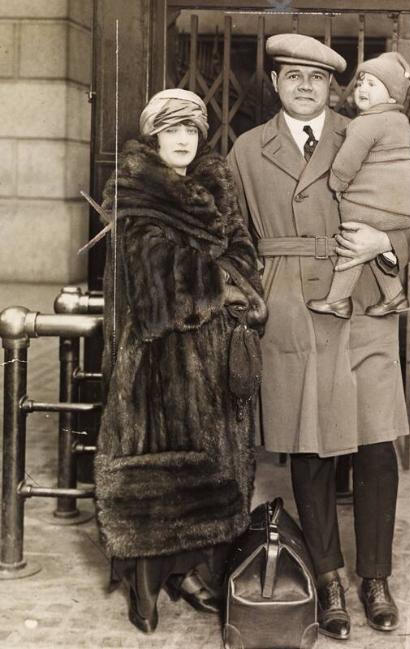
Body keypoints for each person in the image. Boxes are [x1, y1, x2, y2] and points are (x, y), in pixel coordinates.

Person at [227, 34, 410, 641]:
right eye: (294, 76)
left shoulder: (366, 128)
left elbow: (409, 209)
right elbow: (232, 237)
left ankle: (375, 577)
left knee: (374, 446)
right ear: (275, 83)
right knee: (309, 449)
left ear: (334, 85)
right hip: (290, 304)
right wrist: (250, 299)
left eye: (318, 77)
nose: (306, 86)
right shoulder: (246, 149)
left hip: (362, 294)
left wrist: (385, 244)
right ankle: (329, 577)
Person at [94, 88, 267, 634]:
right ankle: (144, 584)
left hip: (213, 359)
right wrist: (223, 285)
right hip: (156, 361)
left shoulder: (216, 185)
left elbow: (245, 256)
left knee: (210, 470)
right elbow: (155, 283)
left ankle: (189, 572)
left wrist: (227, 280)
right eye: (171, 130)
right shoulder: (135, 192)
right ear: (153, 136)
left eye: (191, 130)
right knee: (158, 474)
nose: (183, 140)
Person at [307, 52, 410, 319]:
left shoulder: (365, 123)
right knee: (370, 247)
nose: (362, 89)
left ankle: (337, 299)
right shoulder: (400, 121)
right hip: (403, 209)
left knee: (353, 241)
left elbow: (346, 163)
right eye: (360, 83)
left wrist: (337, 184)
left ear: (392, 96)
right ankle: (394, 296)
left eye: (372, 84)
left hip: (371, 204)